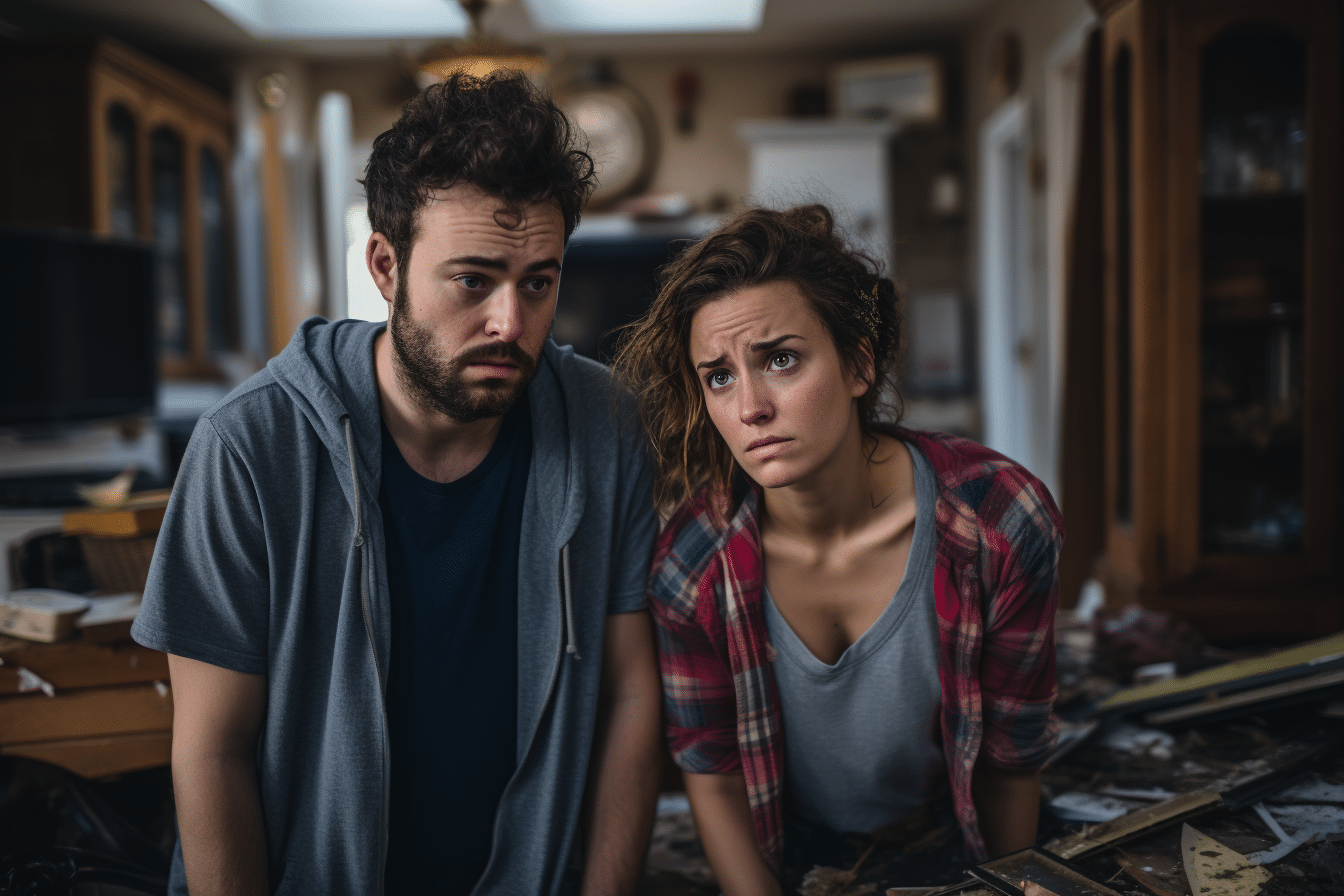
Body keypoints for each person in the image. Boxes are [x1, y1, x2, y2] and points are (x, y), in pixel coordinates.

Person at [131, 71, 663, 896]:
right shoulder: (248, 445)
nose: (510, 324)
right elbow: (212, 749)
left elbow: (631, 692)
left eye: (539, 282)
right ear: (385, 265)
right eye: (472, 279)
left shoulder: (607, 424)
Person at [612, 205, 1062, 894]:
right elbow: (717, 777)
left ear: (859, 363)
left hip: (957, 837)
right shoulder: (691, 566)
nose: (751, 407)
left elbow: (1008, 762)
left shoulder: (1001, 522)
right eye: (720, 376)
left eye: (781, 360)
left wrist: (999, 886)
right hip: (791, 854)